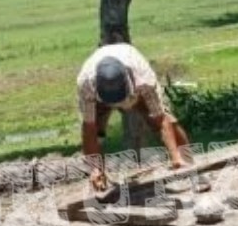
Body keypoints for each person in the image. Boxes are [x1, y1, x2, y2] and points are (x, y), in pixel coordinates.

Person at [76, 43, 191, 191]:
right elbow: (89, 128)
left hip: (136, 89)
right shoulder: (86, 83)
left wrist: (175, 156)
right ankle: (99, 182)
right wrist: (94, 168)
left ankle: (188, 165)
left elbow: (160, 119)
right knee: (96, 132)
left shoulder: (143, 79)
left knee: (165, 119)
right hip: (98, 95)